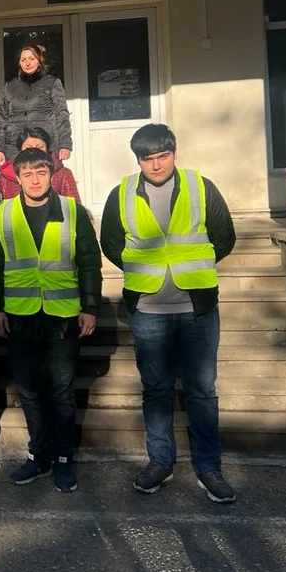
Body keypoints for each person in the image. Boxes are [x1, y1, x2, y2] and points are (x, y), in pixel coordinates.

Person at [99, 123, 238, 504]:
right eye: (148, 158)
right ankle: (160, 461)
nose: (156, 164)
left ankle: (209, 467)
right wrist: (146, 274)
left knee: (202, 391)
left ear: (174, 152)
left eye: (163, 156)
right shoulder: (122, 194)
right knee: (156, 390)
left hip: (198, 309)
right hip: (148, 310)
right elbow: (110, 244)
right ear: (138, 159)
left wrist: (195, 267)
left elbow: (224, 236)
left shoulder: (201, 186)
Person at [0, 148, 101, 493]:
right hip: (19, 317)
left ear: (52, 174)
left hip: (62, 318)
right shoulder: (3, 214)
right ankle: (39, 456)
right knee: (30, 393)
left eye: (41, 173)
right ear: (17, 178)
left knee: (61, 392)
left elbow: (90, 261)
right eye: (28, 174)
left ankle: (63, 460)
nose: (35, 179)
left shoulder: (71, 211)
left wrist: (90, 306)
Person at [0, 43, 72, 164]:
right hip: (15, 146)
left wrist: (65, 143)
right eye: (23, 59)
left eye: (32, 58)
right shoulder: (10, 86)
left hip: (46, 144)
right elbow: (2, 118)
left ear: (39, 61)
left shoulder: (51, 83)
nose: (27, 63)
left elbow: (61, 114)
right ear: (19, 63)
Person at [0, 126, 81, 200]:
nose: (34, 150)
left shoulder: (63, 173)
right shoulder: (6, 177)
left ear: (47, 149)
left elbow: (74, 208)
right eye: (28, 147)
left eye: (40, 147)